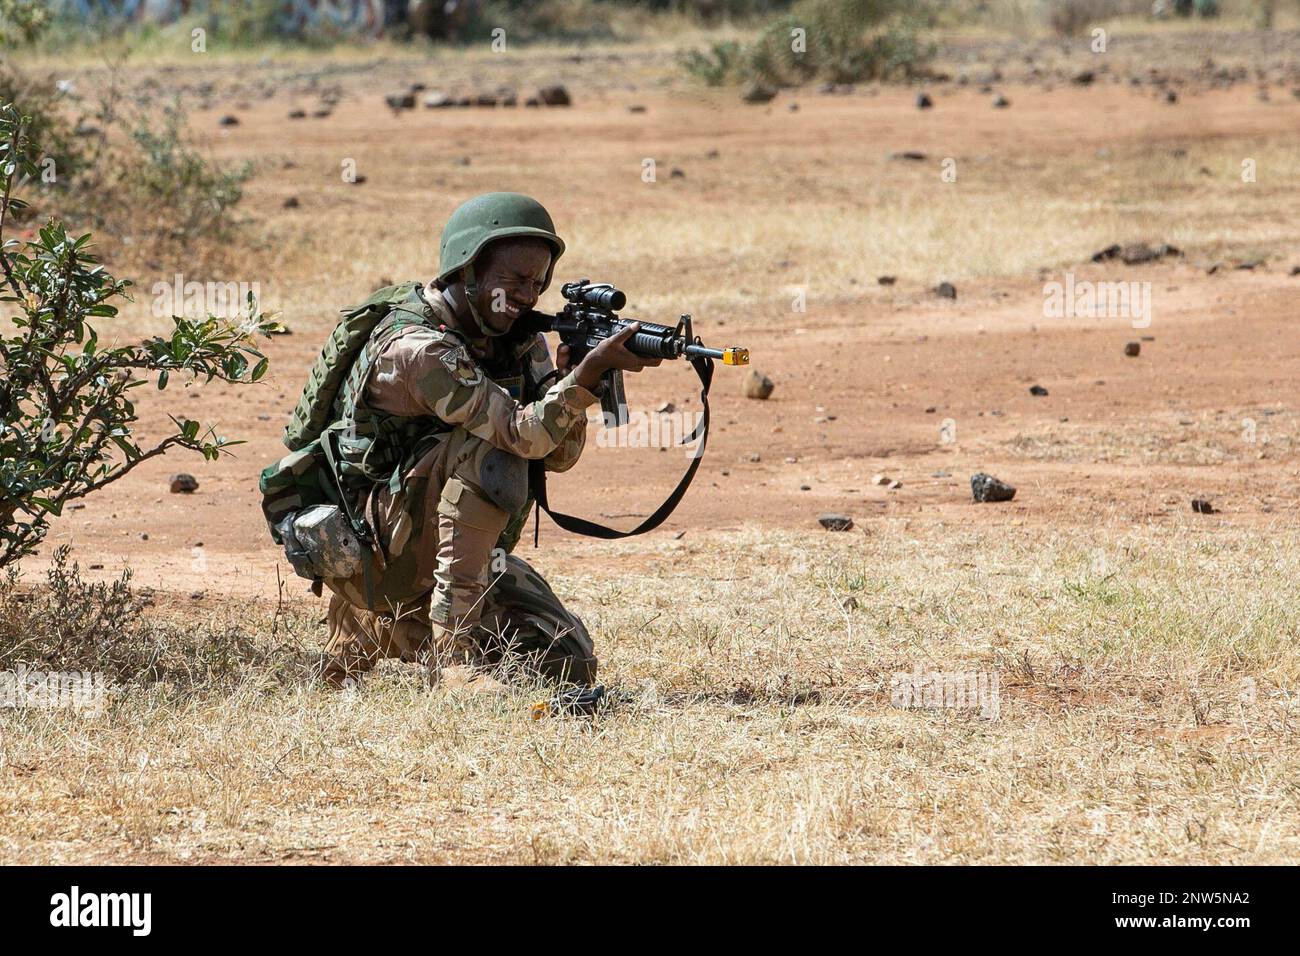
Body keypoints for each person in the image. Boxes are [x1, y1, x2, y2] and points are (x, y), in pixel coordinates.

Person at [318, 192, 659, 687]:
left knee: (566, 662)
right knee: (491, 450)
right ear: (468, 269)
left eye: (538, 282)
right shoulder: (418, 350)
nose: (528, 295)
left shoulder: (516, 339)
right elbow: (522, 436)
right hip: (374, 546)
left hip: (449, 547)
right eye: (515, 280)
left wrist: (567, 385)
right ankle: (455, 659)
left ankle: (378, 625)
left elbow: (558, 454)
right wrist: (582, 380)